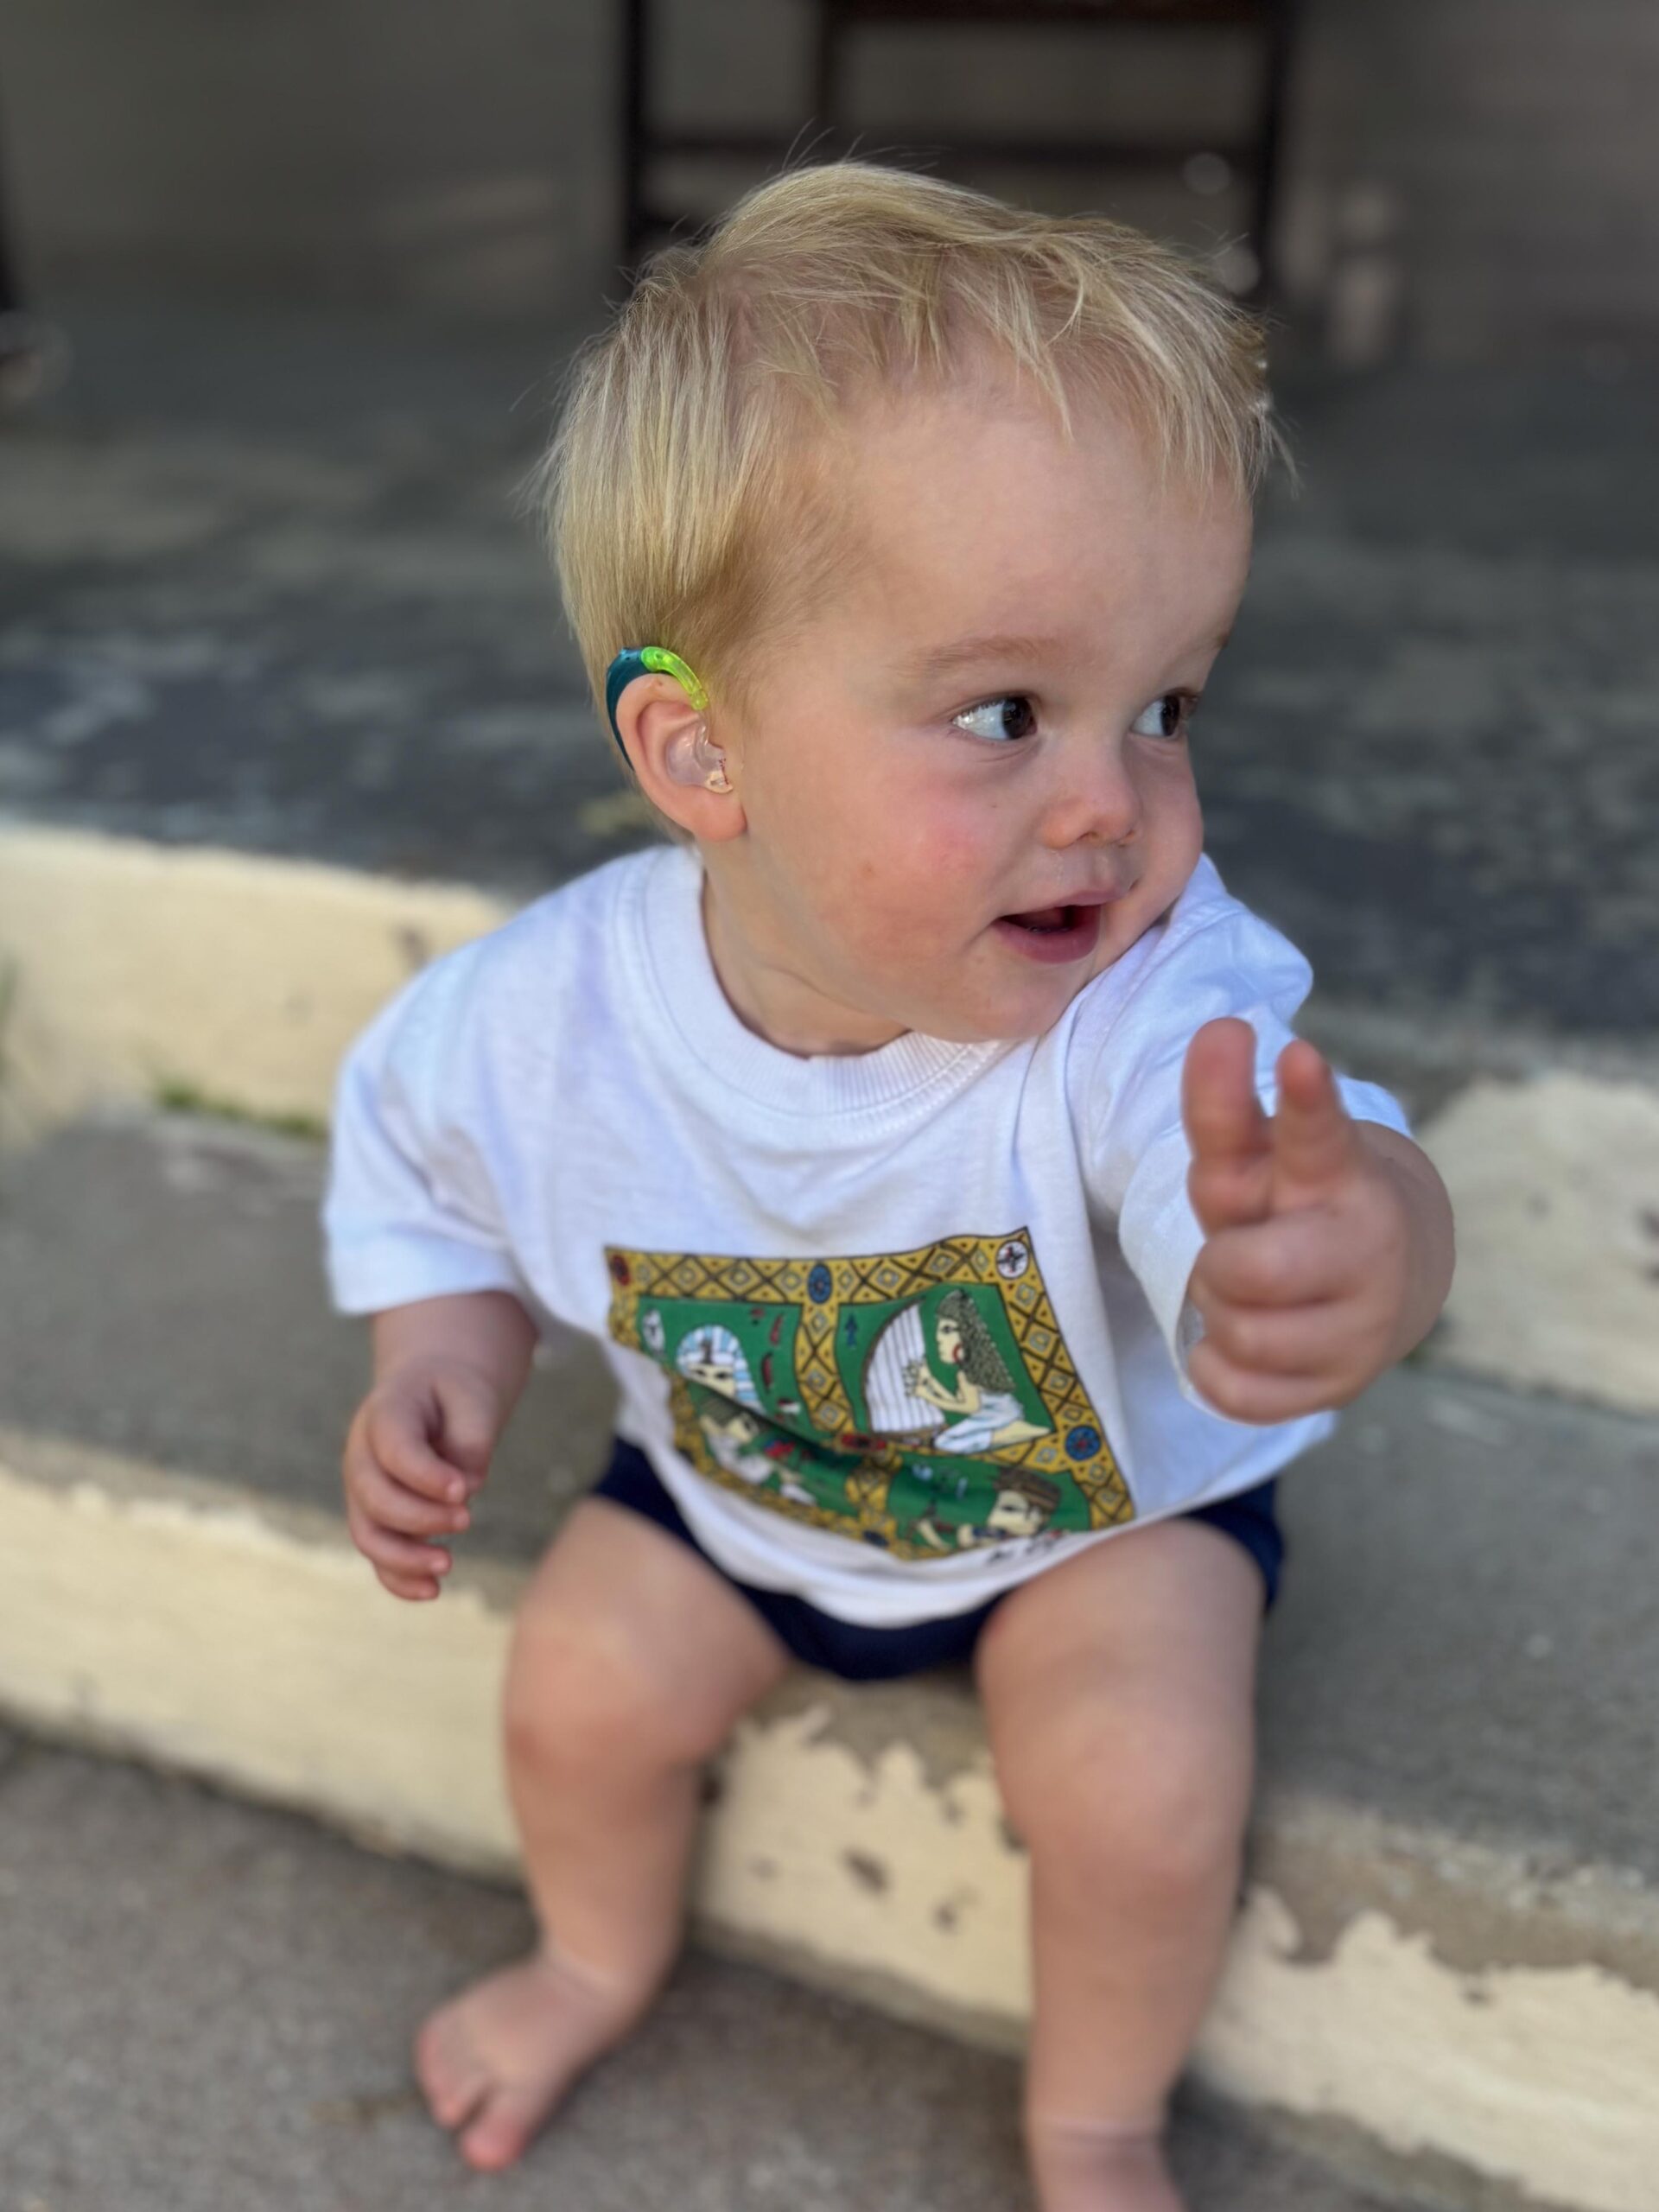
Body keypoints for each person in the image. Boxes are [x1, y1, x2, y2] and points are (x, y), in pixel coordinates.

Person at [323, 162, 1454, 2212]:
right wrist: (442, 1351)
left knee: (1139, 1778)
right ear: (698, 755)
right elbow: (429, 1170)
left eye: (1168, 704)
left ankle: (1094, 2112)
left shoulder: (1132, 988)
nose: (1113, 797)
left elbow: (1261, 1145)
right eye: (1007, 711)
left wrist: (1339, 1234)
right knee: (577, 1686)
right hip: (740, 1474)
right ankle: (595, 1947)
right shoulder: (540, 1016)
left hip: (1097, 1507)